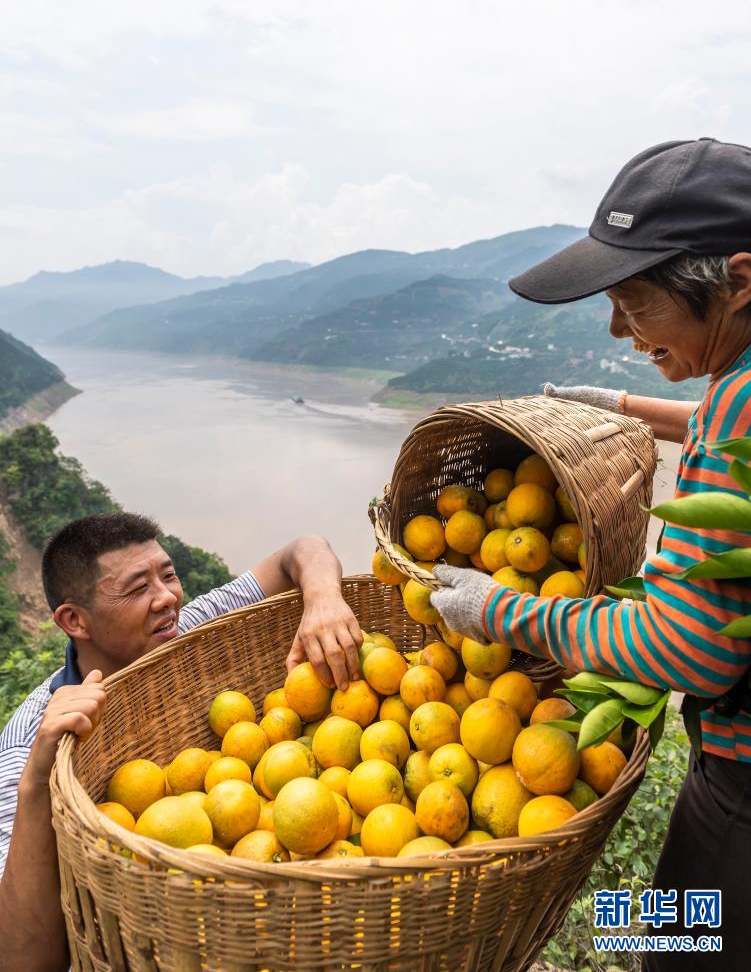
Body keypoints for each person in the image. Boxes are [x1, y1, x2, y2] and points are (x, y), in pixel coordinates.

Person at [431, 138, 751, 971]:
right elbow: (723, 418)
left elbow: (694, 647)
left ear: (741, 282)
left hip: (739, 794)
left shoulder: (735, 414)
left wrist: (498, 610)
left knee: (669, 946)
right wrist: (621, 405)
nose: (617, 328)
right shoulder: (736, 388)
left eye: (635, 303)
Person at [0, 511, 361, 972]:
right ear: (75, 620)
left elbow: (302, 550)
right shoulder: (28, 748)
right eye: (137, 588)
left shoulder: (181, 629)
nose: (167, 597)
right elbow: (20, 960)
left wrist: (324, 598)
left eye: (168, 575)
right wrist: (36, 784)